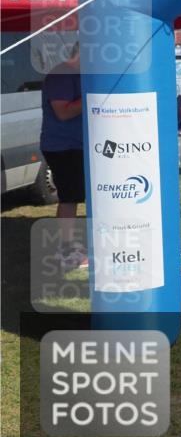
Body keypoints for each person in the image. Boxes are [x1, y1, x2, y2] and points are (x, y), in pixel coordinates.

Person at [40, 44, 88, 271]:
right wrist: (90, 95)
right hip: (63, 146)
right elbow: (63, 112)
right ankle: (66, 250)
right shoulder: (62, 74)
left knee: (75, 195)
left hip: (77, 145)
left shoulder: (76, 74)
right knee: (69, 197)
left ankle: (72, 246)